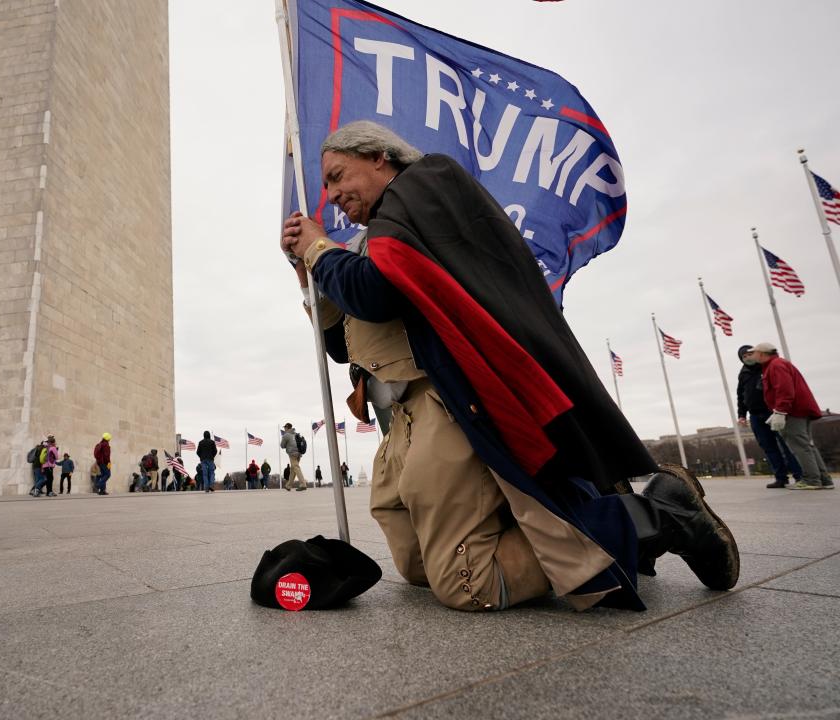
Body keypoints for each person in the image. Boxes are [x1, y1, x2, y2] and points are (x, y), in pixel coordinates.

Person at [279, 121, 739, 612]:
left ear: (378, 157)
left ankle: (657, 515)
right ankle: (563, 527)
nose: (329, 196)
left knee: (467, 584)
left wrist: (318, 247)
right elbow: (341, 345)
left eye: (336, 176)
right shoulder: (380, 236)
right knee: (417, 568)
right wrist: (308, 271)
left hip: (447, 400)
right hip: (400, 419)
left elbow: (374, 291)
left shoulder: (425, 184)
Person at [748, 342, 834, 490]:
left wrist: (780, 411)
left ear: (762, 354)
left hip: (793, 412)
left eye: (754, 352)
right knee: (807, 445)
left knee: (800, 446)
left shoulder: (776, 365)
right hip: (798, 410)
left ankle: (812, 480)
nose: (751, 355)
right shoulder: (777, 364)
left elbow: (785, 389)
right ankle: (824, 479)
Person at [736, 344, 802, 488]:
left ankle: (799, 475)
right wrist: (742, 414)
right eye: (744, 357)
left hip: (772, 412)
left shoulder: (766, 367)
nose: (747, 358)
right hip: (755, 415)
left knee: (786, 444)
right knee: (769, 447)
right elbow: (741, 396)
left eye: (749, 354)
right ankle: (780, 477)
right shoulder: (743, 374)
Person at [279, 423, 307, 491]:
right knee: (293, 469)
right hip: (299, 453)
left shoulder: (286, 435)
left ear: (287, 427)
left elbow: (282, 446)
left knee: (296, 468)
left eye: (285, 427)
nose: (284, 429)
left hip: (292, 454)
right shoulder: (296, 434)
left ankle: (303, 484)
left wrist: (287, 444)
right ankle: (288, 486)